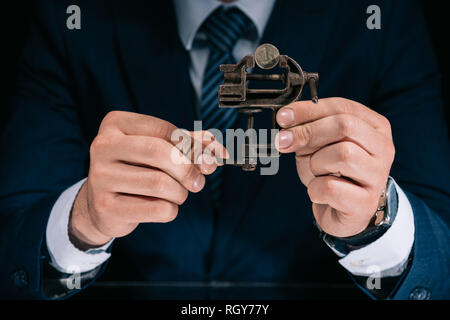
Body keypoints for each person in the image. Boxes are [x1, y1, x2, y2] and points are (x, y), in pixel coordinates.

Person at [0, 0, 448, 300]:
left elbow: (441, 256)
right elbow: (13, 245)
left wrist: (376, 222)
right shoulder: (71, 17)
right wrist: (82, 223)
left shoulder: (385, 19)